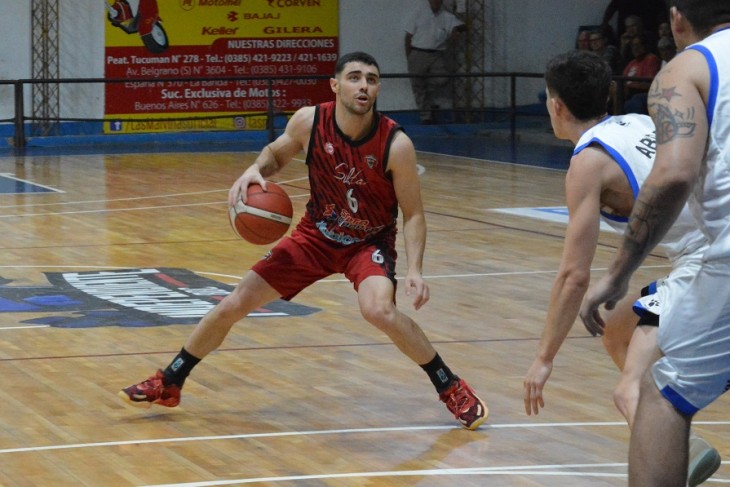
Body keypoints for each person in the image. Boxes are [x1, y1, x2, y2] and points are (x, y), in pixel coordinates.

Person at [118, 51, 488, 431]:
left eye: (372, 80)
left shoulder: (395, 144)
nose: (363, 86)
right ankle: (171, 380)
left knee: (379, 310)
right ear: (335, 84)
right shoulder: (310, 121)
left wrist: (416, 269)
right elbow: (276, 154)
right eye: (355, 77)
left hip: (367, 242)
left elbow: (414, 213)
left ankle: (450, 386)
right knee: (235, 302)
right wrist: (254, 170)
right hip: (315, 235)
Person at [522, 49, 719, 486]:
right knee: (617, 329)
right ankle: (683, 446)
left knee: (630, 390)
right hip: (706, 251)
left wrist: (543, 358)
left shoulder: (587, 163)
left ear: (555, 106)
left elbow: (574, 275)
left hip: (709, 264)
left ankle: (676, 456)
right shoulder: (643, 123)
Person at [579, 1, 730, 484]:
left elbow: (672, 175)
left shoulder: (685, 69)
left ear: (677, 18)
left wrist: (618, 273)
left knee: (660, 394)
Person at [404, 0, 465, 124]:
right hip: (418, 52)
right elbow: (408, 36)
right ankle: (426, 117)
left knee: (443, 78)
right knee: (417, 85)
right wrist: (409, 56)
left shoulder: (446, 17)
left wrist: (456, 31)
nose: (436, 3)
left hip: (436, 54)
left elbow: (461, 26)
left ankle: (427, 97)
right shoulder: (419, 13)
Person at [622, 33, 661, 114]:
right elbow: (623, 79)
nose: (635, 48)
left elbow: (650, 84)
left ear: (644, 46)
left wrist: (631, 85)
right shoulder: (632, 63)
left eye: (637, 45)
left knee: (635, 101)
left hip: (643, 95)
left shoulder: (651, 59)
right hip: (627, 94)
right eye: (633, 46)